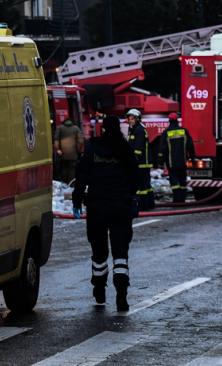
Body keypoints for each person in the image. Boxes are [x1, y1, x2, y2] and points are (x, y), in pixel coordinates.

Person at [72, 115, 139, 312]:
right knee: (120, 254)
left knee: (99, 252)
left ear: (102, 129)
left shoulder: (92, 149)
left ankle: (99, 290)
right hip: (120, 207)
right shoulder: (124, 147)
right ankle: (121, 297)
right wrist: (128, 195)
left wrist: (77, 202)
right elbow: (135, 176)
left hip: (96, 207)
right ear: (118, 128)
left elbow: (81, 177)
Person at [158, 113, 195, 203]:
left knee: (174, 183)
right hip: (182, 162)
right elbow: (190, 145)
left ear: (169, 120)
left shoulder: (166, 133)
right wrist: (193, 157)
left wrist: (160, 162)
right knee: (183, 182)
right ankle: (182, 199)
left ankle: (177, 200)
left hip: (172, 164)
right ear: (177, 119)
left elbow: (163, 148)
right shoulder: (184, 131)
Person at [126, 109, 154, 210]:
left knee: (141, 186)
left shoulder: (138, 130)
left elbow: (138, 148)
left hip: (140, 163)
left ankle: (142, 205)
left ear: (137, 119)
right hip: (143, 163)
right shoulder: (137, 129)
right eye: (129, 119)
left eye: (132, 119)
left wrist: (133, 159)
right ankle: (149, 204)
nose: (130, 121)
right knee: (146, 185)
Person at [53, 117, 84, 184]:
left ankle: (64, 183)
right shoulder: (76, 128)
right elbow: (81, 142)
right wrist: (77, 150)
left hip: (63, 153)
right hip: (73, 154)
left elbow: (56, 139)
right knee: (72, 168)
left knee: (64, 168)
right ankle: (70, 183)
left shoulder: (60, 128)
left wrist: (58, 149)